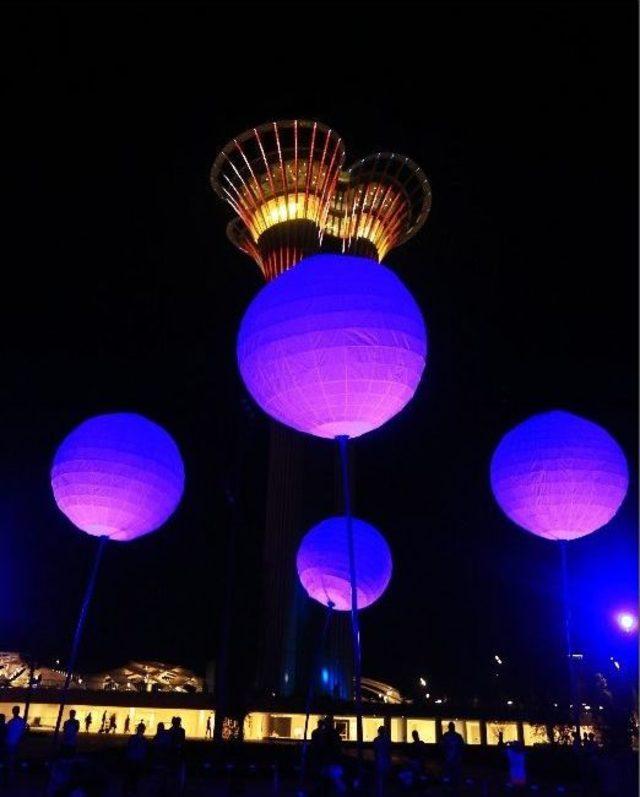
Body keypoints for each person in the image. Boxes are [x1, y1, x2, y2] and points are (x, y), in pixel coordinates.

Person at [124, 722, 148, 795]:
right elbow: (145, 751)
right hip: (137, 761)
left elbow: (129, 748)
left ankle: (130, 790)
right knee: (135, 778)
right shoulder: (144, 740)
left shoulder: (133, 738)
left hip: (133, 760)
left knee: (131, 777)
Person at [441, 721, 464, 787]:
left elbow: (462, 747)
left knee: (453, 775)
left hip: (453, 759)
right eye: (451, 726)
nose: (451, 727)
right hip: (450, 759)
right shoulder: (453, 736)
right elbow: (442, 746)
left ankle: (452, 786)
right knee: (451, 775)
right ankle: (450, 787)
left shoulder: (456, 736)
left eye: (452, 726)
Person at [5, 706, 27, 777]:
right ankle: (12, 773)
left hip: (12, 743)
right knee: (13, 758)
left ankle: (11, 774)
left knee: (11, 758)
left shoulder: (11, 722)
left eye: (14, 710)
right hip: (15, 743)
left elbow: (6, 731)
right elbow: (23, 733)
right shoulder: (20, 721)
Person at [373, 726, 392, 797]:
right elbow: (389, 752)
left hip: (379, 760)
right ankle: (385, 793)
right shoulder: (387, 740)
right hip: (385, 760)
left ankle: (380, 794)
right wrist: (390, 762)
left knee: (379, 779)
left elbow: (375, 752)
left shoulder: (376, 740)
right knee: (385, 779)